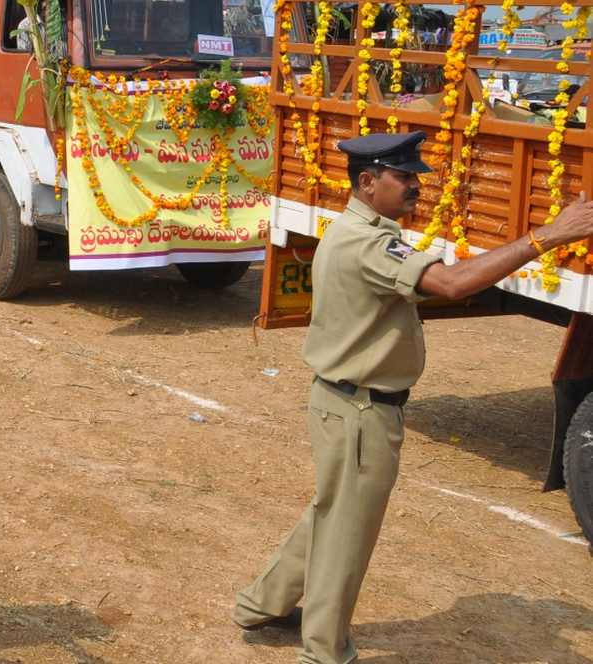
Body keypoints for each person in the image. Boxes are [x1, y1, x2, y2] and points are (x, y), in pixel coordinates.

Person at [232, 132, 593, 663]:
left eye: (416, 179)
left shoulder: (360, 231)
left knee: (332, 511)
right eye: (404, 178)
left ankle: (261, 602)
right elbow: (452, 285)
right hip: (360, 408)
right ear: (368, 181)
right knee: (348, 532)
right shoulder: (367, 242)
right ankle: (324, 649)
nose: (415, 189)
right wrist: (547, 237)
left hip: (347, 402)